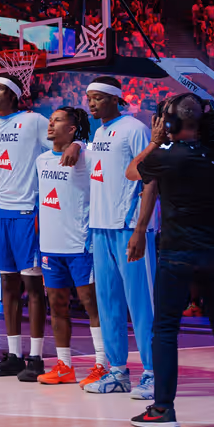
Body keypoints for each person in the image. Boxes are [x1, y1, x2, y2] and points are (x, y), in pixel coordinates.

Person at [126, 94, 214, 427]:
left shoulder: (167, 156)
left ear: (169, 123)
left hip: (177, 254)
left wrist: (155, 142)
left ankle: (163, 410)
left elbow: (131, 172)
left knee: (165, 330)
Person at [0, 77, 79, 379]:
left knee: (33, 286)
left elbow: (60, 142)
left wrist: (76, 143)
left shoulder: (34, 121)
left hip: (28, 211)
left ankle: (36, 357)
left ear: (12, 93)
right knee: (7, 285)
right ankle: (14, 355)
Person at [83, 77, 156, 399]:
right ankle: (118, 371)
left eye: (98, 98)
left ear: (115, 99)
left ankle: (154, 373)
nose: (92, 103)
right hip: (101, 228)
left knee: (142, 306)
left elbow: (151, 180)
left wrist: (141, 228)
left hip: (129, 228)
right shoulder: (97, 133)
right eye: (89, 98)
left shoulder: (134, 129)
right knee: (109, 304)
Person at [33, 108, 108, 385]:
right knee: (57, 305)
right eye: (50, 120)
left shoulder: (86, 156)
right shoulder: (41, 160)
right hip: (51, 246)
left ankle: (103, 364)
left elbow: (99, 154)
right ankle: (64, 366)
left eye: (58, 120)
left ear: (73, 128)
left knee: (91, 304)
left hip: (81, 245)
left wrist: (79, 145)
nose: (51, 123)